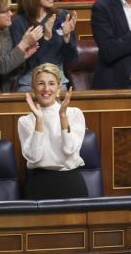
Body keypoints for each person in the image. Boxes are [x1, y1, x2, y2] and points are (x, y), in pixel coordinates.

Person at [18, 63, 88, 199]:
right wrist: (39, 120)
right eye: (41, 83)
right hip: (39, 184)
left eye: (51, 83)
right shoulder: (25, 121)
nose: (46, 89)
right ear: (34, 88)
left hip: (71, 183)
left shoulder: (74, 114)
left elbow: (69, 149)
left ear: (58, 88)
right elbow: (34, 156)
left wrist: (62, 116)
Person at [12, 0, 79, 91]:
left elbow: (72, 57)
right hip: (29, 83)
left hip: (57, 82)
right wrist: (46, 38)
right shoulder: (18, 22)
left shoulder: (62, 16)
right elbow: (23, 64)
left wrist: (66, 38)